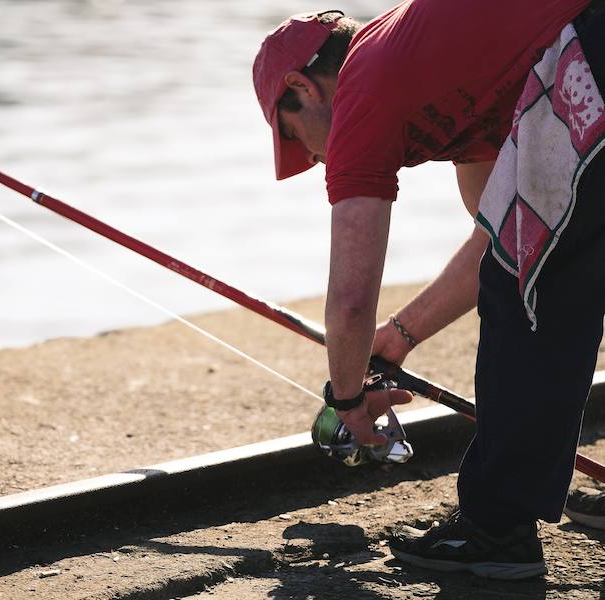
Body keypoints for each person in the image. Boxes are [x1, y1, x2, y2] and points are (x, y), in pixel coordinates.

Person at [252, 0, 605, 580]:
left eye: (296, 136)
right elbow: (507, 242)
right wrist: (401, 335)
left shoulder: (365, 84)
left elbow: (350, 298)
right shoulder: (448, 68)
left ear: (303, 87)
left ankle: (496, 531)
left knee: (530, 299)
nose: (315, 158)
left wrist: (345, 400)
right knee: (541, 269)